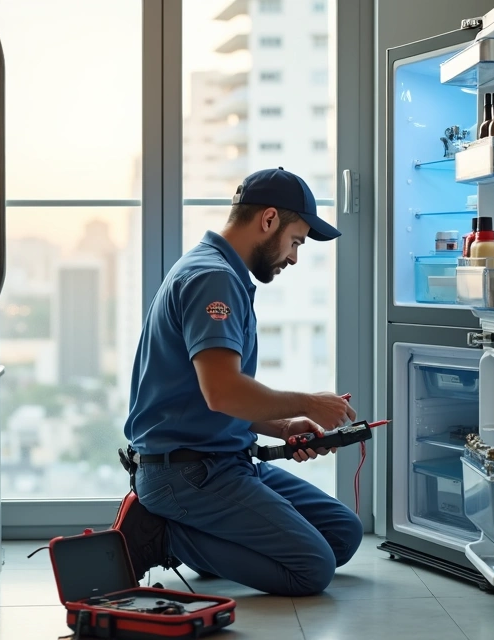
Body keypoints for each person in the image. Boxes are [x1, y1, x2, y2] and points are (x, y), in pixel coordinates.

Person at [114, 167, 363, 598]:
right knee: (312, 568)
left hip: (225, 460)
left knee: (342, 533)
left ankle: (202, 532)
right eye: (296, 241)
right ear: (268, 220)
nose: (294, 257)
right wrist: (309, 403)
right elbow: (223, 392)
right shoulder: (213, 279)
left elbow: (213, 399)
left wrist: (284, 427)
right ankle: (163, 536)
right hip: (186, 473)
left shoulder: (219, 272)